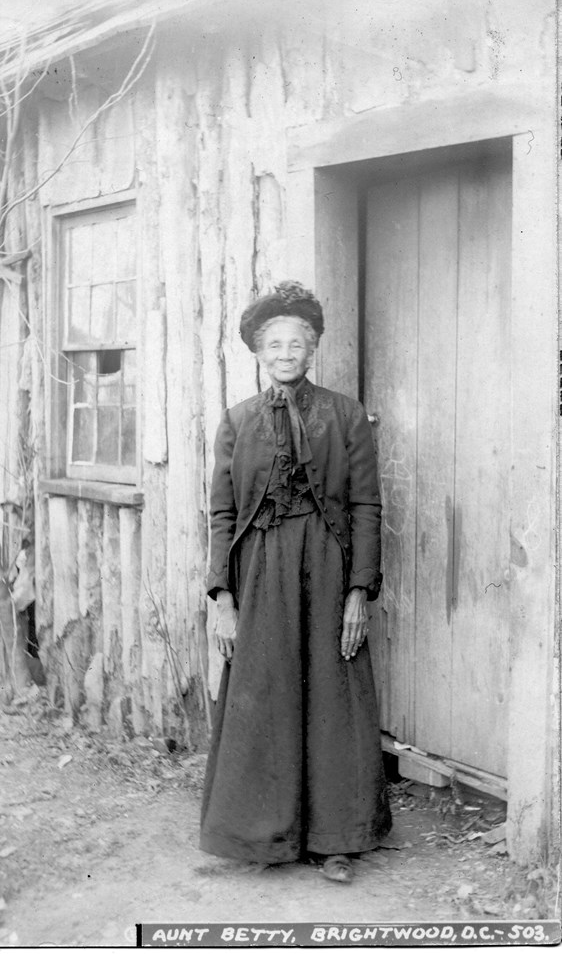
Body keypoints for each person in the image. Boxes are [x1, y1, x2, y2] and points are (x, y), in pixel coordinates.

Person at [200, 280, 391, 883]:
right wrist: (222, 597)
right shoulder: (236, 423)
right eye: (274, 344)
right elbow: (223, 514)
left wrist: (359, 591)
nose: (286, 353)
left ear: (312, 351)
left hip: (329, 568)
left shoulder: (345, 414)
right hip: (260, 572)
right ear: (259, 354)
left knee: (333, 695)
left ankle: (337, 840)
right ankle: (266, 837)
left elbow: (366, 506)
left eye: (297, 344)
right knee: (267, 694)